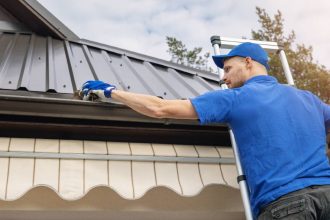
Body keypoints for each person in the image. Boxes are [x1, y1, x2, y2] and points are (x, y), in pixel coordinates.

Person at [81, 42, 330, 220]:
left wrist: (110, 91)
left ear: (248, 62)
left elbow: (160, 108)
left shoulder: (236, 98)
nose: (223, 78)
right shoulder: (308, 99)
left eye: (228, 69)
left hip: (287, 205)